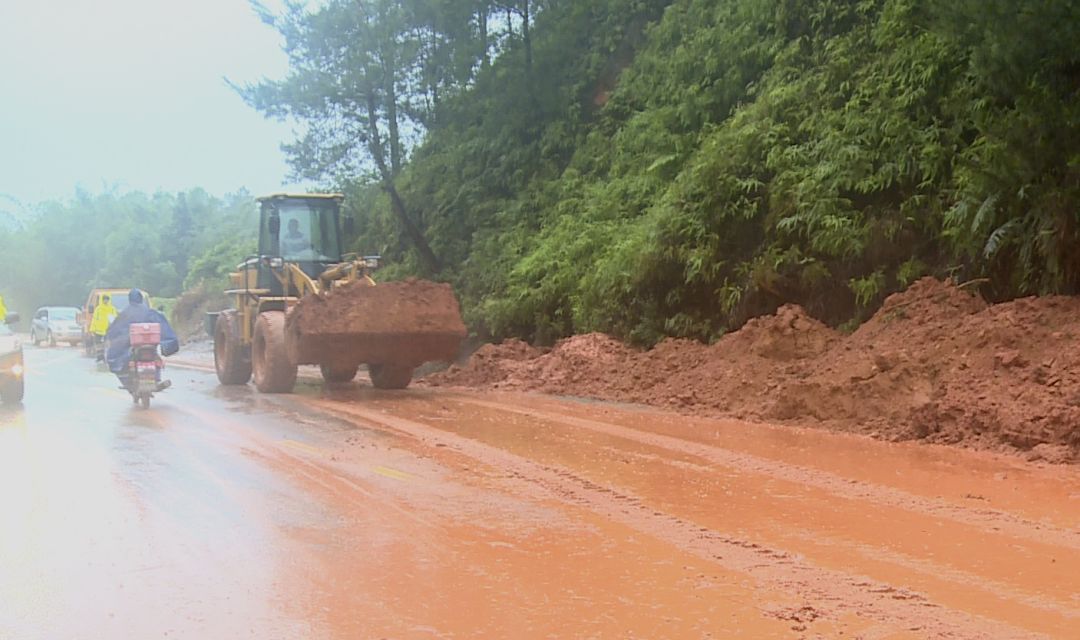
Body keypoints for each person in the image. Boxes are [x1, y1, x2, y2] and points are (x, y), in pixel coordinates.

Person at [106, 289, 179, 391]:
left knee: (119, 359)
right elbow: (164, 327)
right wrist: (167, 343)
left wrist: (113, 338)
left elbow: (114, 330)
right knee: (155, 357)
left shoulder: (124, 314)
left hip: (132, 346)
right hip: (150, 345)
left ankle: (128, 382)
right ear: (141, 299)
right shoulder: (151, 312)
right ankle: (157, 379)